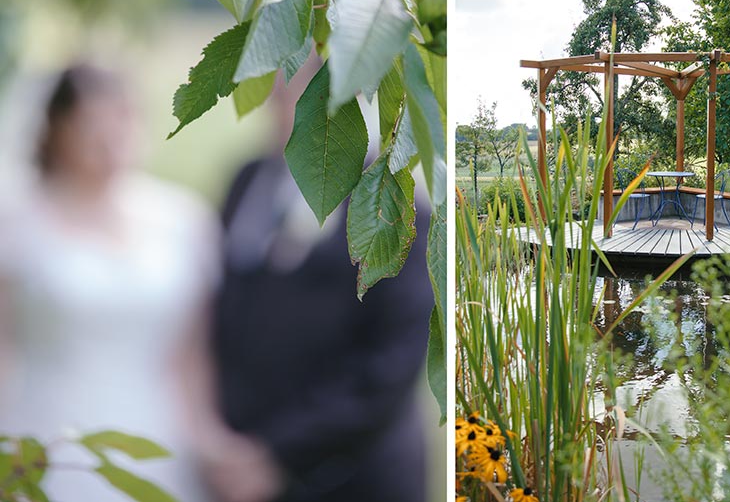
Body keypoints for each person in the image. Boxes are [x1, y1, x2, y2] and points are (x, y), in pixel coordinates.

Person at [209, 57, 435, 502]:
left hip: (352, 479)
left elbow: (389, 366)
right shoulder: (247, 180)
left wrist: (276, 454)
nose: (280, 103)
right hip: (239, 470)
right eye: (276, 89)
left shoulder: (396, 210)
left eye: (298, 92)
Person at [0, 63, 217, 501]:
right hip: (49, 433)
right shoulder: (17, 224)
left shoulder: (184, 219)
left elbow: (191, 356)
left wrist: (207, 437)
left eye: (121, 118)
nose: (109, 137)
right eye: (91, 122)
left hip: (157, 429)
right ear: (57, 129)